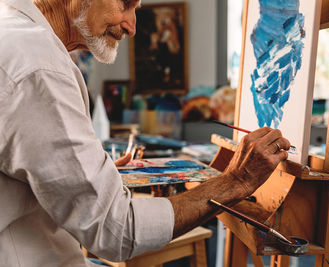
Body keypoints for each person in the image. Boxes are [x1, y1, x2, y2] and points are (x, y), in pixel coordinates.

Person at [0, 0, 291, 266]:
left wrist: (83, 175)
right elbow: (116, 231)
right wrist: (237, 181)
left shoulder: (13, 32)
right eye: (125, 4)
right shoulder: (39, 65)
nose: (131, 26)